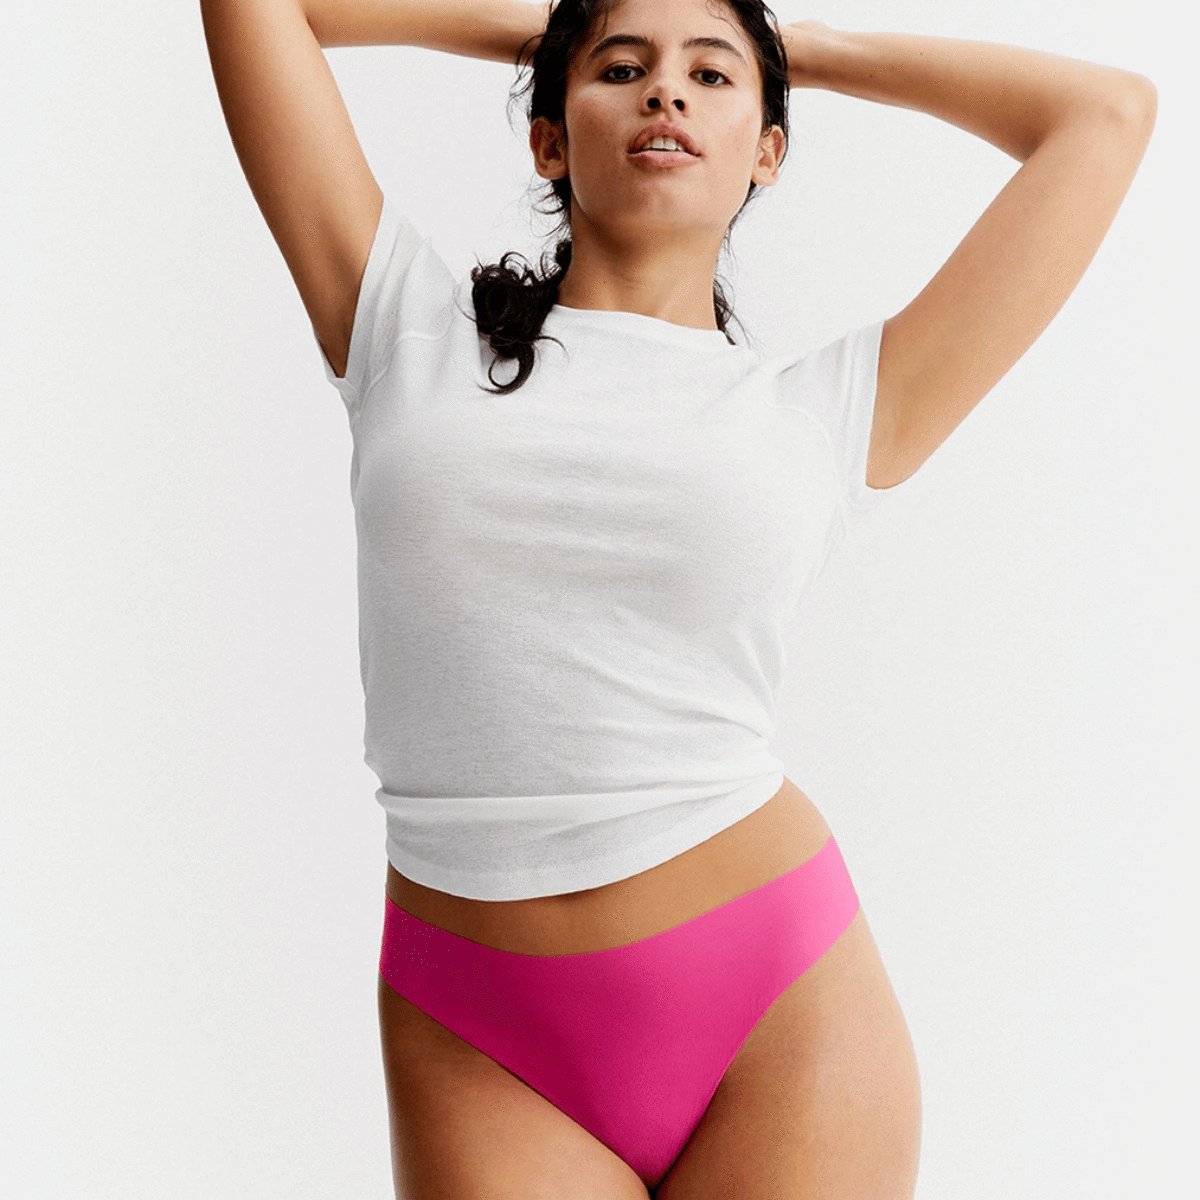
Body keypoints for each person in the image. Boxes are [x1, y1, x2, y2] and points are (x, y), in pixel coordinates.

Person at [199, 1, 1157, 1196]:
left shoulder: (827, 412)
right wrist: (559, 27)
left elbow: (1105, 115)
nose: (666, 92)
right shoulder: (402, 328)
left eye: (711, 77)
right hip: (477, 1028)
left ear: (769, 150)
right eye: (623, 71)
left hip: (776, 1010)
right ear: (549, 139)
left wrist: (795, 52)